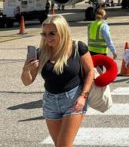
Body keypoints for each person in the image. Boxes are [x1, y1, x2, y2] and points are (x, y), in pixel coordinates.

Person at [21, 15, 94, 147]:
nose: (47, 38)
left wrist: (83, 96)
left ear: (62, 32)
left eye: (52, 34)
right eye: (44, 34)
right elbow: (27, 82)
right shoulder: (41, 52)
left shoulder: (78, 47)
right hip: (50, 103)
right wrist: (26, 70)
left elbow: (90, 72)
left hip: (73, 100)